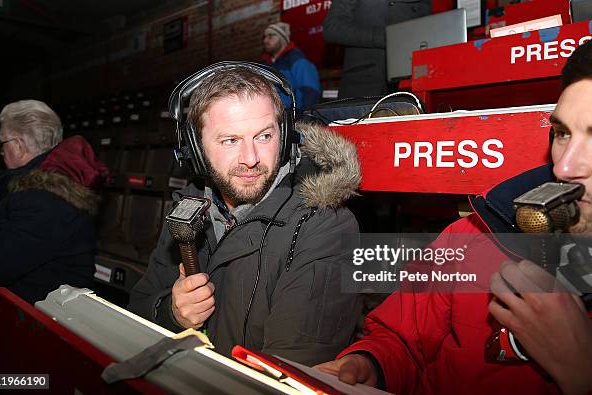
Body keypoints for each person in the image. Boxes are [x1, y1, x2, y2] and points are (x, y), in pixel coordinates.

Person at [315, 41, 592, 394]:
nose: (565, 166)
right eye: (563, 133)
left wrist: (582, 373)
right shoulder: (478, 232)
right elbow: (400, 339)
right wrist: (371, 364)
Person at [128, 64, 361, 366]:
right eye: (230, 140)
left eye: (264, 137)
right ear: (195, 151)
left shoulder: (326, 226)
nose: (251, 159)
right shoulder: (187, 209)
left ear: (286, 135)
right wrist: (172, 313)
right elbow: (137, 310)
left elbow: (291, 373)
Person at [0, 99, 108, 371]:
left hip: (33, 333)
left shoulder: (44, 198)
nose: (1, 152)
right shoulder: (35, 188)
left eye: (2, 143)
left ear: (18, 145)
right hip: (17, 316)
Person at [322, 0, 431, 98]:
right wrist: (388, 37)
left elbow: (425, 32)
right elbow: (332, 27)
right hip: (361, 87)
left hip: (407, 87)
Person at [261, 22, 321, 110]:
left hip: (293, 118)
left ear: (282, 39)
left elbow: (311, 95)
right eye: (264, 37)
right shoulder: (264, 65)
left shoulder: (298, 62)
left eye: (271, 36)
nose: (265, 40)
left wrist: (297, 118)